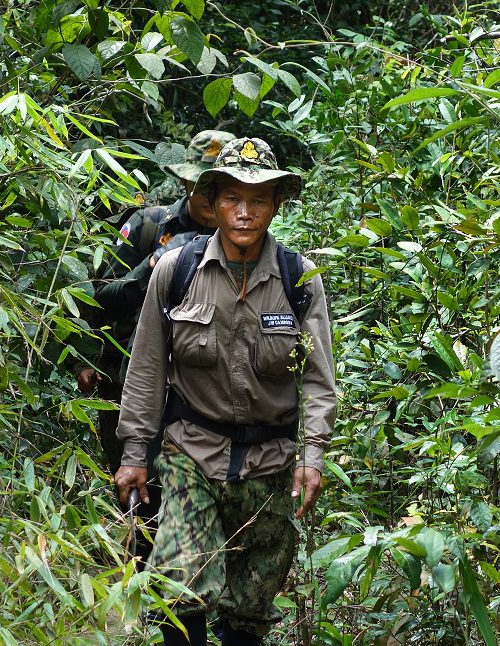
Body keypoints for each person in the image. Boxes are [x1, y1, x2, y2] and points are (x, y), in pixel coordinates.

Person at [113, 137, 337, 645]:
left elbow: (319, 378)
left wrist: (313, 455)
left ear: (276, 205)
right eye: (233, 198)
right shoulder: (177, 271)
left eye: (258, 199)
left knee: (250, 611)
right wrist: (134, 452)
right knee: (181, 585)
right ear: (213, 204)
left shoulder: (299, 280)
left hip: (271, 462)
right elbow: (147, 366)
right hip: (191, 450)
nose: (244, 212)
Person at [73, 131, 235, 531]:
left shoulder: (244, 239)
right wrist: (154, 268)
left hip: (205, 390)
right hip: (132, 379)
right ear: (185, 182)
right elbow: (98, 297)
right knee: (138, 495)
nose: (214, 200)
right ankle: (139, 579)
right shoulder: (148, 224)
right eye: (204, 187)